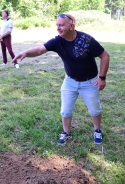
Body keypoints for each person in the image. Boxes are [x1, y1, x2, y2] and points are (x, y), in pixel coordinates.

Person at [12, 14, 110, 145]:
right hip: (70, 81)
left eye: (61, 25)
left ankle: (97, 130)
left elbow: (105, 55)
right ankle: (66, 132)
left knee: (94, 109)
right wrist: (25, 53)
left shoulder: (86, 40)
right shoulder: (57, 41)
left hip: (89, 81)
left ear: (71, 26)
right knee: (65, 110)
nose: (58, 28)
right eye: (57, 25)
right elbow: (40, 50)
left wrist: (102, 78)